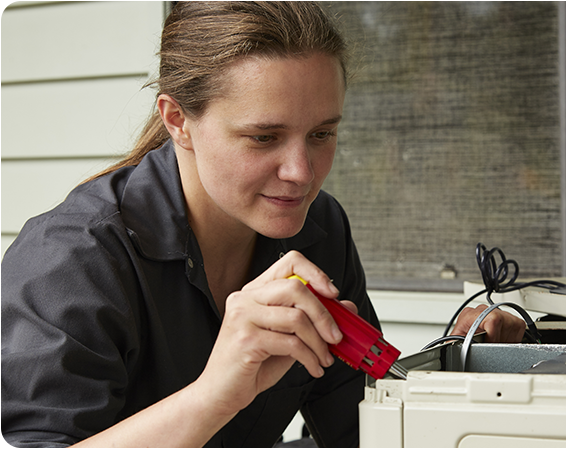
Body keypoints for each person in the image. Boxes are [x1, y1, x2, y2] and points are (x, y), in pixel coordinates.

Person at [1, 2, 525, 447]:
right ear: (178, 119)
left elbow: (357, 429)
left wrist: (456, 371)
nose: (301, 173)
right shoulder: (71, 260)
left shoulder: (319, 228)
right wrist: (216, 394)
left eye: (321, 134)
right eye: (263, 137)